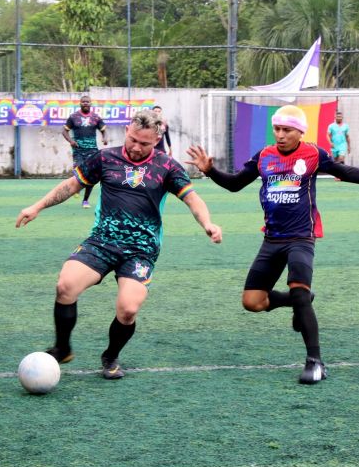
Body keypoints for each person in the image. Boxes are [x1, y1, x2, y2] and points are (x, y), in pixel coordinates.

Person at [186, 105, 359, 385]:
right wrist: (211, 170)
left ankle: (315, 362)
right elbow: (235, 184)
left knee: (299, 290)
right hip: (272, 238)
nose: (280, 135)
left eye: (287, 130)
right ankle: (299, 302)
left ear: (300, 132)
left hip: (302, 237)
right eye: (277, 129)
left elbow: (346, 171)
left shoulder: (313, 154)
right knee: (252, 302)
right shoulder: (264, 156)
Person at [17, 110, 222, 380]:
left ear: (156, 140)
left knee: (128, 309)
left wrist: (208, 223)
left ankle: (111, 355)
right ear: (127, 130)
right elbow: (71, 186)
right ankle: (63, 347)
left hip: (141, 250)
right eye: (133, 140)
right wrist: (37, 207)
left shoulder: (167, 166)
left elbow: (193, 200)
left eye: (145, 143)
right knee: (65, 285)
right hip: (102, 241)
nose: (137, 147)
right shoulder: (105, 158)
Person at [62, 95, 108, 208]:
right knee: (77, 170)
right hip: (78, 150)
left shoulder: (96, 117)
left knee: (90, 175)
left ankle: (85, 200)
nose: (85, 103)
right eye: (83, 102)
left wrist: (105, 138)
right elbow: (64, 131)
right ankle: (77, 188)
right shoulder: (73, 117)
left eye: (87, 102)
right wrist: (71, 141)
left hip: (92, 150)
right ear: (80, 103)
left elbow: (104, 130)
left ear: (91, 103)